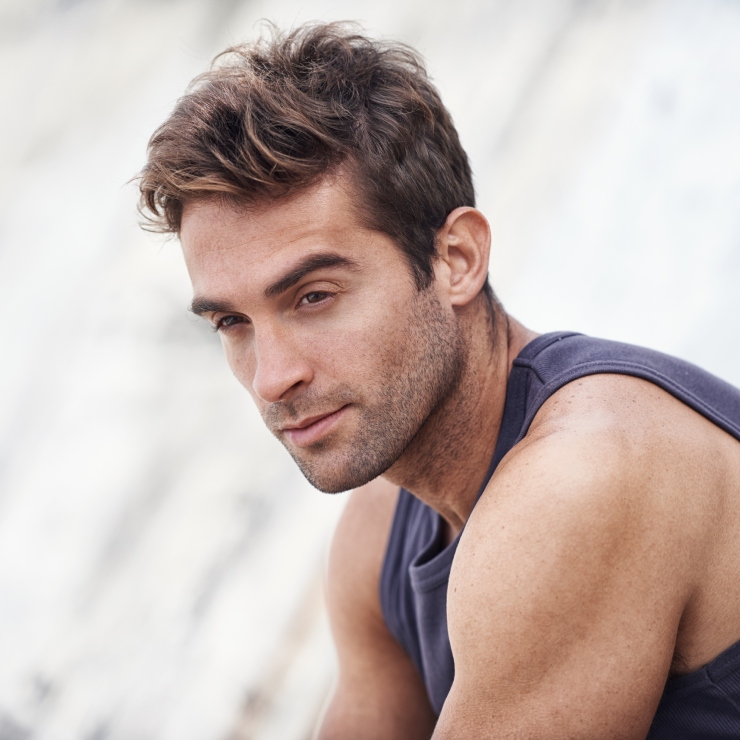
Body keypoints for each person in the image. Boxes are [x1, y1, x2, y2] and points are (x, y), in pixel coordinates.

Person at [137, 22, 740, 739]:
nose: (272, 378)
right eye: (232, 322)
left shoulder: (585, 472)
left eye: (314, 297)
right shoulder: (383, 525)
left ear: (455, 258)